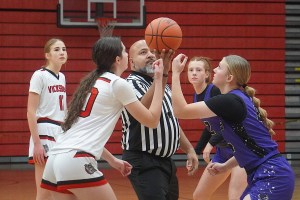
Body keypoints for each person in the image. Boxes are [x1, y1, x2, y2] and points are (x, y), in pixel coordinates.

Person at [40, 37, 165, 200]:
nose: (127, 54)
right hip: (76, 160)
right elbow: (152, 120)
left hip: (55, 160)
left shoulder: (90, 83)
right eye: (125, 51)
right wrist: (159, 79)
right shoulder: (117, 84)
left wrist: (112, 160)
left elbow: (79, 132)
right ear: (118, 59)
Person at [171, 54, 295, 199]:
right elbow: (248, 148)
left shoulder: (230, 100)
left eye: (220, 67)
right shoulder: (235, 98)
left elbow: (180, 111)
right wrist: (226, 166)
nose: (215, 70)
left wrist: (175, 73)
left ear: (229, 78)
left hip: (272, 174)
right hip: (265, 172)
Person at [121, 40, 199, 200]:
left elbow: (171, 121)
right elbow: (143, 111)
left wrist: (189, 149)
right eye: (143, 52)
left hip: (166, 162)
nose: (150, 55)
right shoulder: (129, 84)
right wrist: (162, 76)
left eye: (152, 52)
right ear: (132, 63)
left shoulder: (163, 85)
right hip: (143, 159)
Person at [187, 56, 247, 200]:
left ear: (207, 74)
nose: (194, 73)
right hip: (222, 151)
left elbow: (227, 124)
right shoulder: (196, 96)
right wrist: (195, 152)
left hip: (239, 151)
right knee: (199, 195)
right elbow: (210, 127)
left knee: (235, 196)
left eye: (198, 69)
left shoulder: (214, 91)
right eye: (190, 70)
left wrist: (210, 144)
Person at [27, 38, 68, 200]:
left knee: (59, 187)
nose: (62, 52)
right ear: (47, 55)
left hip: (59, 131)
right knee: (43, 192)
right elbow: (31, 111)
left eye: (64, 49)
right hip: (44, 130)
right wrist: (37, 143)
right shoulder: (39, 75)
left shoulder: (62, 77)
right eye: (57, 49)